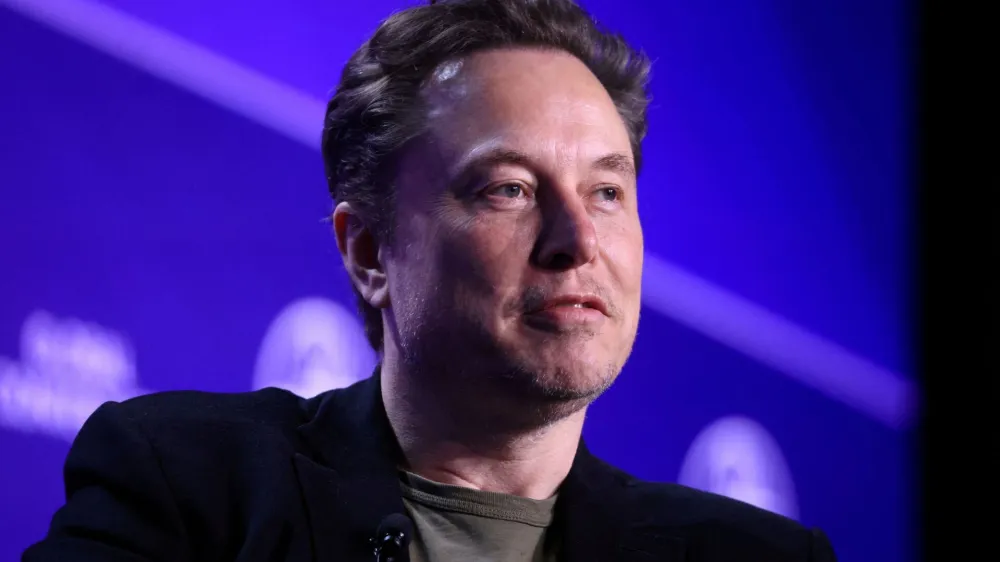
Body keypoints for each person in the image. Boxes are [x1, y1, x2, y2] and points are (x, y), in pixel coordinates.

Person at [23, 0, 838, 560]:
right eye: (509, 188)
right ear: (371, 252)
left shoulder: (758, 554)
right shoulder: (187, 485)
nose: (578, 239)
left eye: (607, 191)